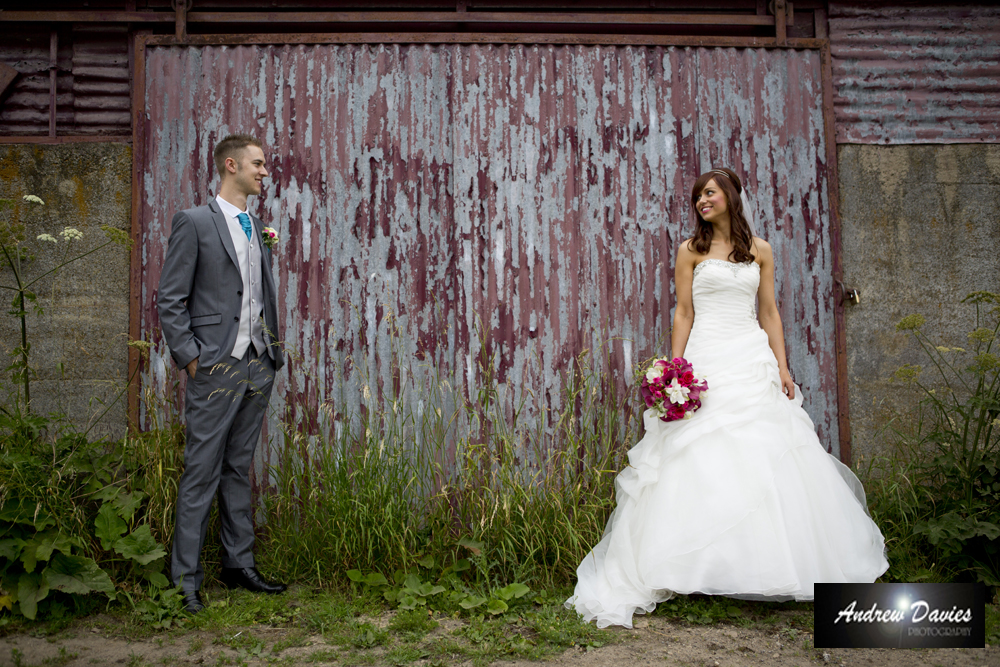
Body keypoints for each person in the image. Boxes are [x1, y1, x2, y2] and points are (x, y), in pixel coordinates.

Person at [565, 167, 888, 628]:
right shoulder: (690, 252)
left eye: (710, 193)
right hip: (706, 360)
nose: (702, 201)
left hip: (750, 356)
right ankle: (691, 566)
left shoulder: (760, 251)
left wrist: (782, 365)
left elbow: (770, 311)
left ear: (731, 197)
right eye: (698, 196)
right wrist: (675, 370)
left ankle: (770, 565)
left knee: (763, 453)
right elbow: (683, 311)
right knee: (699, 458)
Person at [158, 133, 287, 613]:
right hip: (215, 364)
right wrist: (191, 358)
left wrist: (271, 352)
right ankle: (184, 580)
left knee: (238, 467)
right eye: (257, 164)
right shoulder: (194, 222)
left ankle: (238, 565)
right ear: (230, 165)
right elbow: (171, 298)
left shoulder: (258, 227)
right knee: (201, 471)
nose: (265, 171)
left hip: (258, 364)